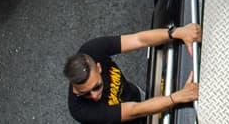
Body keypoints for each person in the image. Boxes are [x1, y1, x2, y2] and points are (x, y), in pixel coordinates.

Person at [64, 24, 201, 122]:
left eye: (96, 87)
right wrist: (178, 97)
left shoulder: (93, 50)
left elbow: (139, 39)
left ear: (99, 68)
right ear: (74, 87)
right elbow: (136, 110)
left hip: (134, 96)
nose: (94, 96)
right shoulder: (80, 110)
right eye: (85, 93)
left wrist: (176, 33)